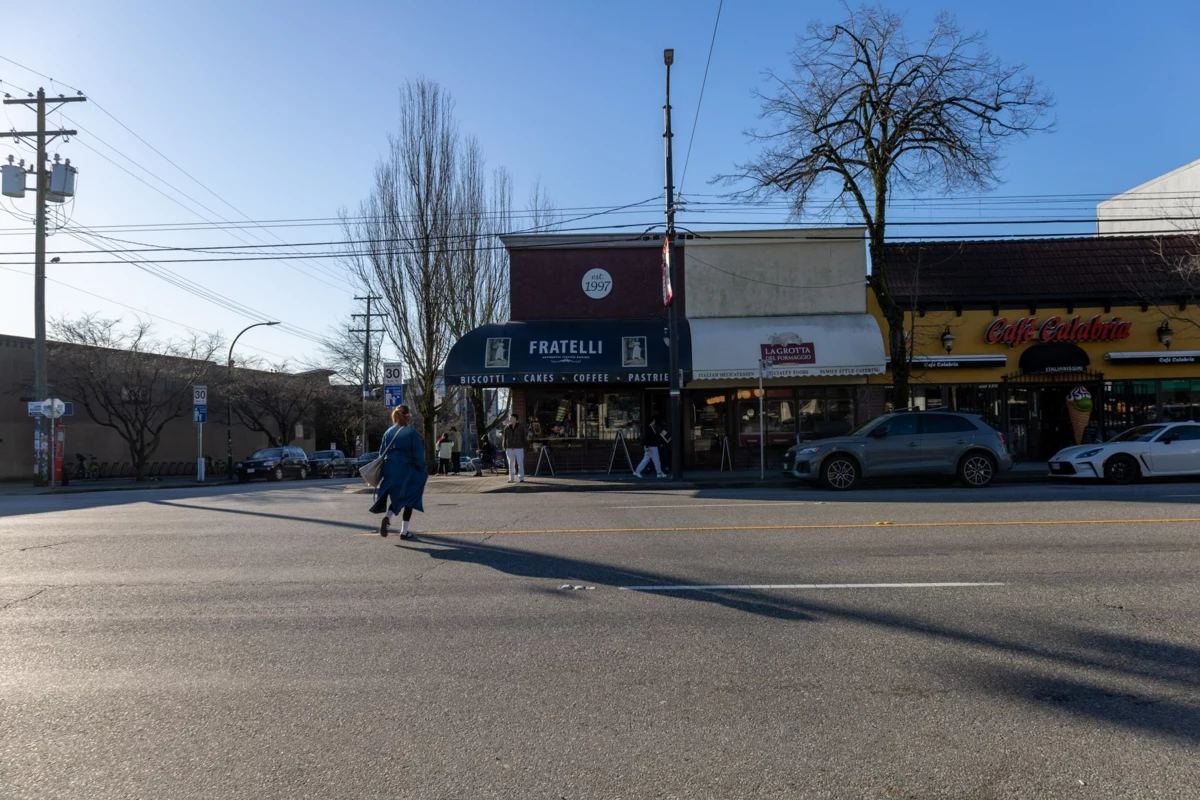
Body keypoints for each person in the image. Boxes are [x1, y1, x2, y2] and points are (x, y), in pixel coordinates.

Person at [370, 404, 426, 539]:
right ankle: (404, 531)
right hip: (406, 468)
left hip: (389, 468)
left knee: (396, 496)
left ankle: (387, 517)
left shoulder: (388, 432)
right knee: (409, 498)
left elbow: (381, 452)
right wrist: (422, 467)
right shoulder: (411, 432)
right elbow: (418, 455)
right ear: (408, 416)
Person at [501, 414, 527, 484]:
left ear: (515, 419)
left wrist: (524, 445)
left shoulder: (521, 427)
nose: (510, 419)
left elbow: (524, 436)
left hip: (519, 447)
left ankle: (521, 477)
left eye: (512, 418)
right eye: (510, 417)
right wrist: (504, 446)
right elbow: (504, 438)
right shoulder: (506, 428)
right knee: (511, 463)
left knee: (520, 462)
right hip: (509, 447)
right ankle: (511, 478)